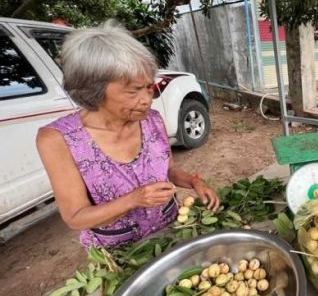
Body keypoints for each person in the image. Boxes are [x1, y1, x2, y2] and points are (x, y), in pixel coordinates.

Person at [36, 22, 220, 248]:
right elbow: (76, 217)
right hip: (120, 253)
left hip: (170, 235)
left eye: (148, 88)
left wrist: (193, 182)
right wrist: (134, 199)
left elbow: (169, 170)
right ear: (93, 90)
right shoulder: (59, 140)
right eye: (134, 90)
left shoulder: (151, 120)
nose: (146, 99)